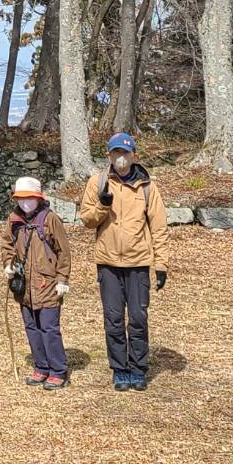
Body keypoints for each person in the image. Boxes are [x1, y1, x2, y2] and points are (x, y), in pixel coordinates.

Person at [80, 132, 169, 391]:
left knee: (139, 318)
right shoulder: (98, 182)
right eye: (116, 152)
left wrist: (161, 264)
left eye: (125, 153)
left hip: (138, 262)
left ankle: (138, 369)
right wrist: (102, 206)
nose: (121, 157)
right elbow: (87, 220)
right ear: (109, 155)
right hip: (108, 262)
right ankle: (120, 369)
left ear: (134, 155)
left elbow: (159, 227)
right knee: (114, 318)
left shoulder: (147, 187)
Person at [0, 176, 72, 389]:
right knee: (31, 327)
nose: (25, 202)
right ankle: (41, 367)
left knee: (49, 328)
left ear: (38, 198)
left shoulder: (50, 219)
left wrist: (62, 279)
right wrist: (8, 264)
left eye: (29, 198)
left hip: (47, 283)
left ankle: (58, 371)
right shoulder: (14, 219)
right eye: (21, 198)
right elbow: (7, 244)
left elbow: (63, 251)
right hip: (24, 285)